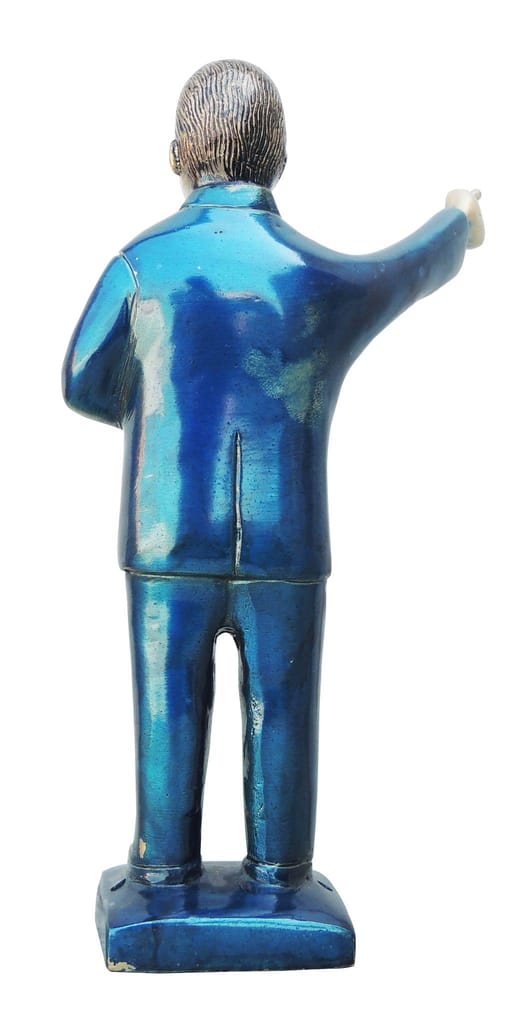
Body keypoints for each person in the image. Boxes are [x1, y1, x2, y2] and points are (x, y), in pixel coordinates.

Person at [63, 59, 483, 963]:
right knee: (281, 703)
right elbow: (404, 268)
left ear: (177, 154)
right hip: (286, 539)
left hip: (165, 537)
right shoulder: (314, 276)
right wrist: (458, 219)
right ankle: (281, 877)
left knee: (168, 702)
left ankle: (163, 874)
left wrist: (156, 406)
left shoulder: (141, 262)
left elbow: (82, 381)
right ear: (280, 156)